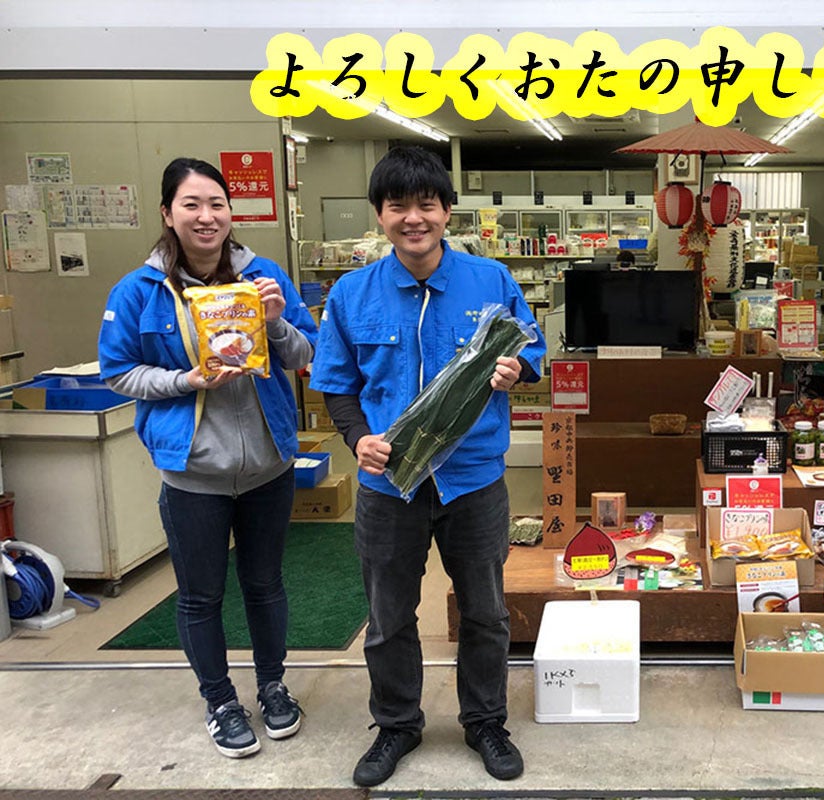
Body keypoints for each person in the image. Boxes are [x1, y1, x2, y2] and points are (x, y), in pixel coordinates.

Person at [309, 146, 547, 786]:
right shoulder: (352, 293)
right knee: (388, 617)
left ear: (446, 211)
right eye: (398, 206)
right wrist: (357, 438)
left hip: (473, 479)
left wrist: (518, 369)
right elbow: (336, 384)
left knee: (485, 612)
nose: (413, 218)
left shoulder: (490, 280)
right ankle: (396, 725)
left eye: (426, 204)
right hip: (389, 484)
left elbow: (534, 349)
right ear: (380, 215)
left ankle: (486, 721)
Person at [98, 157, 318, 758]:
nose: (206, 216)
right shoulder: (139, 291)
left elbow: (307, 354)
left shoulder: (264, 276)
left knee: (266, 584)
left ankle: (273, 686)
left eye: (216, 204)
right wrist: (186, 380)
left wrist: (275, 323)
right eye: (191, 204)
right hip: (193, 471)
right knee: (200, 595)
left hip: (268, 465)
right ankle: (219, 700)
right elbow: (118, 372)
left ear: (230, 212)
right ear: (167, 214)